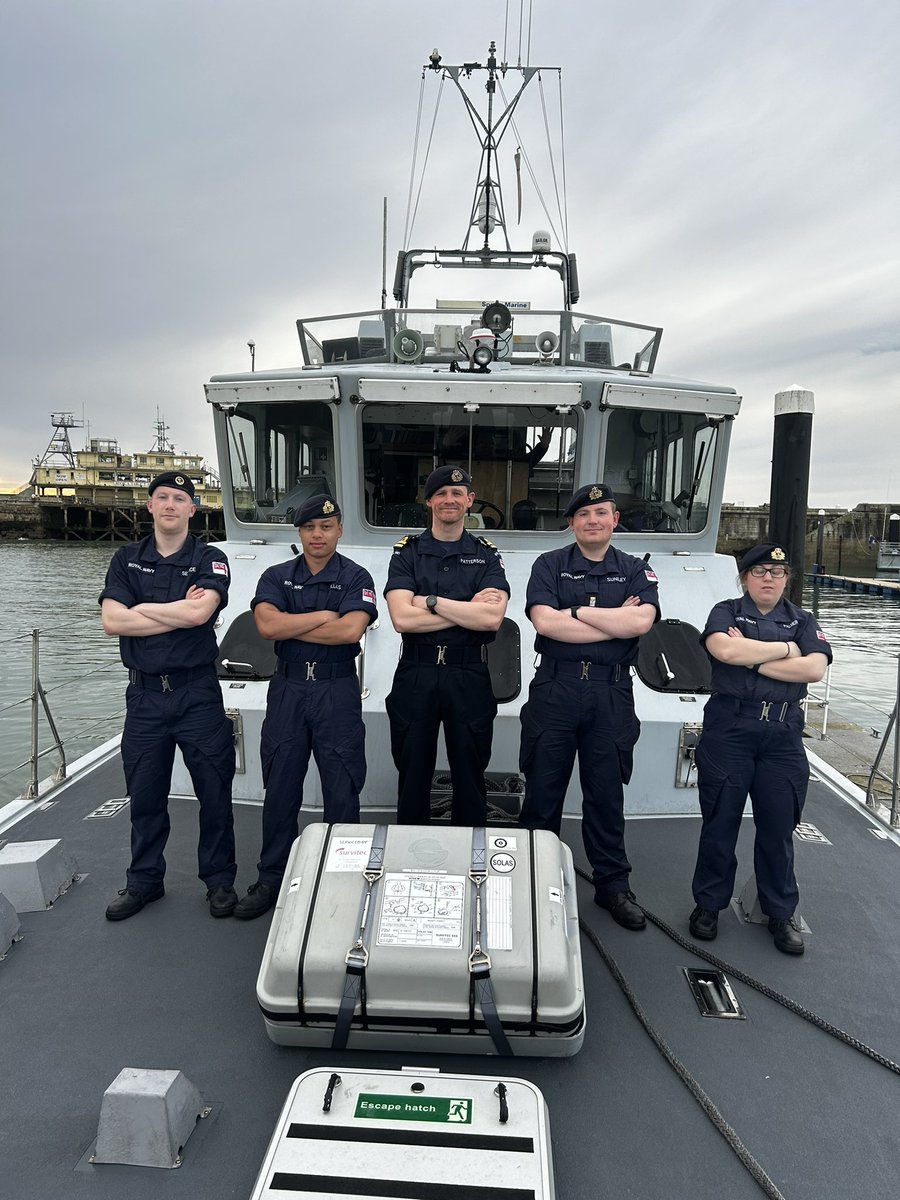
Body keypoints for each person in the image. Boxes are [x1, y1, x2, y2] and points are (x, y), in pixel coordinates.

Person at [518, 483, 659, 930]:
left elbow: (641, 621)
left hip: (610, 694)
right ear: (572, 522)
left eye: (601, 512)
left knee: (605, 794)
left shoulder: (636, 570)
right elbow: (545, 622)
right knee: (543, 791)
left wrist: (574, 613)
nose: (593, 520)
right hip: (555, 690)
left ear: (615, 519)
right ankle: (531, 881)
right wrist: (610, 622)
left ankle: (613, 888)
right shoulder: (549, 565)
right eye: (584, 514)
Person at [100, 472, 237, 921]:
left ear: (193, 509)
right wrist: (174, 614)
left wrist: (139, 608)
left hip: (196, 693)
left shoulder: (210, 558)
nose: (171, 505)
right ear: (150, 506)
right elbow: (112, 622)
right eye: (163, 497)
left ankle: (219, 881)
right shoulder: (125, 559)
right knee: (144, 793)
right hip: (143, 698)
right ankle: (144, 881)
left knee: (214, 790)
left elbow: (200, 612)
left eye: (181, 498)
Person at [233, 495, 377, 920]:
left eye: (327, 527)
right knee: (280, 787)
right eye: (310, 527)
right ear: (299, 531)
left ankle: (342, 880)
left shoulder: (356, 575)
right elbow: (266, 626)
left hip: (336, 690)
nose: (318, 535)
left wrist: (296, 623)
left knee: (342, 785)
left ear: (339, 530)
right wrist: (322, 615)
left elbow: (351, 631)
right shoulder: (276, 575)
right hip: (289, 689)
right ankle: (271, 879)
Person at [688, 544, 832, 955]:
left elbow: (814, 669)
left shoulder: (803, 620)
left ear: (787, 579)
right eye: (759, 571)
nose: (768, 578)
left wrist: (753, 659)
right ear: (745, 577)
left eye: (777, 571)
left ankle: (780, 912)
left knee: (778, 827)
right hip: (731, 729)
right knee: (720, 823)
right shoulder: (726, 611)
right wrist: (787, 650)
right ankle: (708, 905)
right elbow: (725, 650)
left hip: (782, 737)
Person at [384, 465, 509, 824]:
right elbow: (401, 619)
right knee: (412, 771)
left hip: (467, 671)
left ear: (470, 501)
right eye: (441, 493)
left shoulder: (486, 554)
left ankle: (470, 857)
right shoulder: (407, 552)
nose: (449, 499)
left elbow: (491, 619)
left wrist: (431, 601)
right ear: (429, 502)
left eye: (457, 493)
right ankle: (409, 852)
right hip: (417, 671)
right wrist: (467, 608)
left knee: (470, 772)